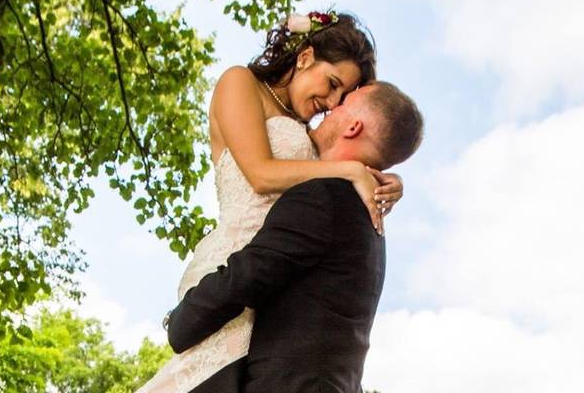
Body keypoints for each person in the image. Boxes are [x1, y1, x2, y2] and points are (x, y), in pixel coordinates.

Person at [136, 12, 404, 393]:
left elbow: (337, 162)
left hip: (280, 278)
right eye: (331, 84)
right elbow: (261, 174)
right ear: (305, 57)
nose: (329, 101)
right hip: (235, 263)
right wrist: (349, 172)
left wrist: (386, 180)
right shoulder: (240, 83)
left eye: (340, 97)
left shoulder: (310, 133)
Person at [167, 81, 425, 392]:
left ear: (353, 126)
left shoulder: (324, 197)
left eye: (343, 105)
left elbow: (247, 276)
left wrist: (180, 321)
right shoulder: (368, 222)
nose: (331, 108)